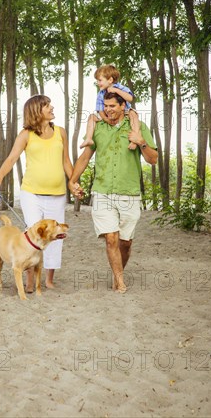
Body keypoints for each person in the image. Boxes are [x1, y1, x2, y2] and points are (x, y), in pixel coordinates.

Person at [70, 92, 158, 293]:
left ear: (123, 106)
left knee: (125, 243)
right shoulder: (98, 128)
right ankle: (119, 281)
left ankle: (117, 272)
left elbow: (153, 159)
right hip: (102, 192)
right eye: (106, 105)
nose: (108, 109)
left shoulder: (138, 127)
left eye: (113, 106)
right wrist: (72, 181)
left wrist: (141, 141)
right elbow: (84, 157)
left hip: (129, 193)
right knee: (111, 238)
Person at [0, 95, 73, 292]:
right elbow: (11, 159)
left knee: (55, 234)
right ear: (37, 111)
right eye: (47, 105)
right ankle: (29, 280)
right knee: (34, 234)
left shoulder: (60, 132)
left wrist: (74, 182)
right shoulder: (26, 134)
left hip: (57, 193)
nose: (52, 107)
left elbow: (66, 162)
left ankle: (49, 280)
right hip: (31, 193)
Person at [80, 64, 140, 150]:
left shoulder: (120, 87)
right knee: (91, 117)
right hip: (107, 114)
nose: (98, 83)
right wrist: (106, 119)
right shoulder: (100, 94)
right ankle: (89, 138)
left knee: (133, 114)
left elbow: (130, 98)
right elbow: (100, 109)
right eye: (97, 81)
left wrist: (116, 90)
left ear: (110, 80)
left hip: (125, 111)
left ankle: (135, 139)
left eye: (100, 80)